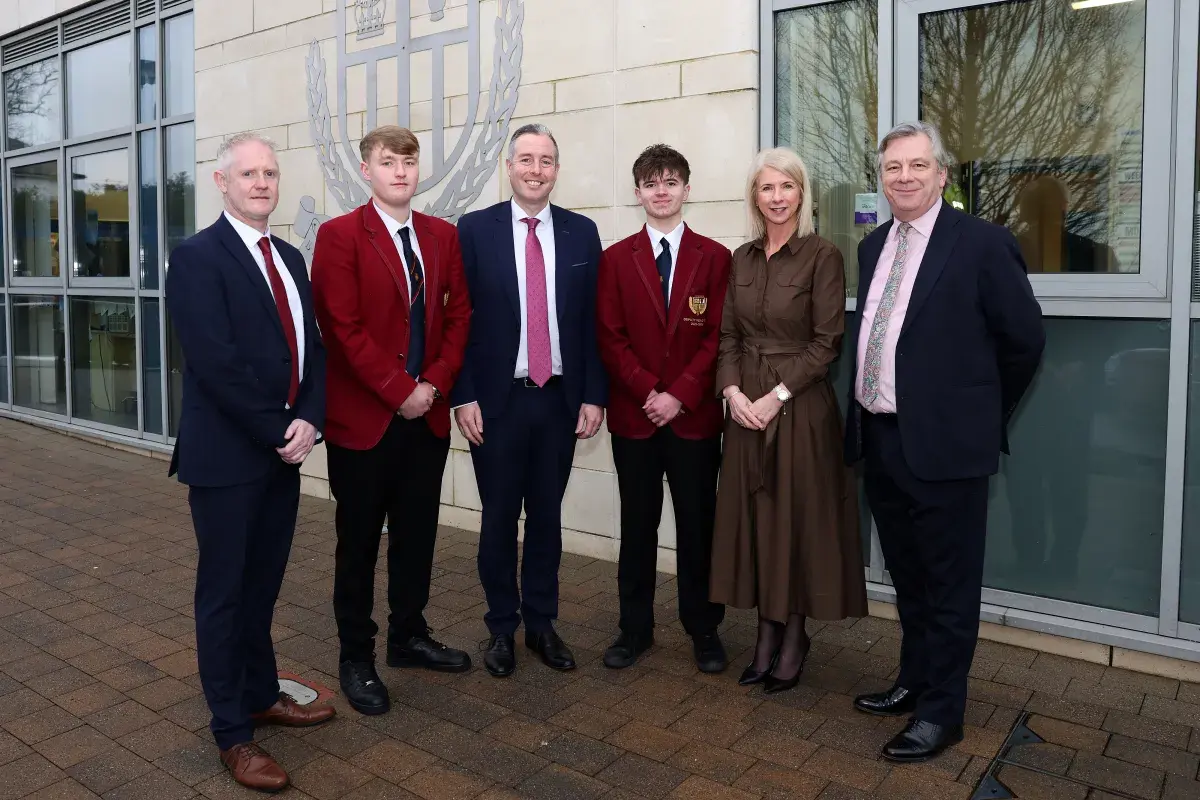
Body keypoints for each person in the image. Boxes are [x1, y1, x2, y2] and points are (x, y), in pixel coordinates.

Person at [846, 121, 1045, 762]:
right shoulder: (873, 245)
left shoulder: (983, 244)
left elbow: (1024, 342)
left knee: (950, 584)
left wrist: (977, 417)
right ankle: (914, 679)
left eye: (916, 166)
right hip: (881, 439)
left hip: (947, 450)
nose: (903, 177)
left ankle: (943, 714)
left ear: (942, 173)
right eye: (892, 168)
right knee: (908, 577)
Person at [166, 132, 333, 792]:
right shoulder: (198, 258)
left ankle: (263, 693)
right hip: (228, 458)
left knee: (262, 585)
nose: (262, 182)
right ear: (221, 182)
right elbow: (213, 363)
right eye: (249, 174)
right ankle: (233, 732)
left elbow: (311, 354)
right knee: (225, 595)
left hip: (281, 455)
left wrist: (311, 420)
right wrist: (278, 429)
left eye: (270, 172)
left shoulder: (289, 257)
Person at [310, 125, 472, 716]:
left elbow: (460, 318)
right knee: (357, 545)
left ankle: (409, 636)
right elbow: (341, 328)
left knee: (416, 536)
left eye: (408, 161)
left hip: (424, 418)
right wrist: (398, 389)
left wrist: (432, 386)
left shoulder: (442, 236)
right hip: (365, 422)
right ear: (366, 169)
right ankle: (357, 656)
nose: (400, 171)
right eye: (388, 162)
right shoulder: (339, 236)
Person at [710, 147, 867, 696]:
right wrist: (731, 392)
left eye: (787, 187)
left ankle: (794, 635)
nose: (776, 198)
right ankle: (764, 632)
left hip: (798, 409)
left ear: (803, 193)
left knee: (795, 523)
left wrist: (775, 395)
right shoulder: (742, 258)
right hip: (746, 412)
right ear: (754, 197)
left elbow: (828, 344)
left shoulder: (823, 255)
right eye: (766, 188)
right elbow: (727, 335)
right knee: (757, 522)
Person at [452, 123, 606, 678]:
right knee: (497, 520)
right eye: (526, 159)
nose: (535, 169)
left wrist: (594, 396)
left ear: (556, 170)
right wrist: (462, 393)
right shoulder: (473, 230)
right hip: (496, 404)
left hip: (559, 401)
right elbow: (458, 320)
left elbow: (592, 322)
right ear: (508, 167)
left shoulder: (582, 233)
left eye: (546, 161)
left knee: (545, 518)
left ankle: (542, 623)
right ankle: (501, 628)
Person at [596, 144, 731, 672]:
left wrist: (680, 394)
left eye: (671, 181)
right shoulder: (615, 259)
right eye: (651, 182)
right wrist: (650, 390)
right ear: (637, 193)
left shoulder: (716, 258)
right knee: (637, 526)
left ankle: (704, 629)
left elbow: (719, 335)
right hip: (636, 417)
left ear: (686, 189)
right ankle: (635, 629)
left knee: (699, 527)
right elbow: (609, 336)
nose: (661, 190)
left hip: (694, 418)